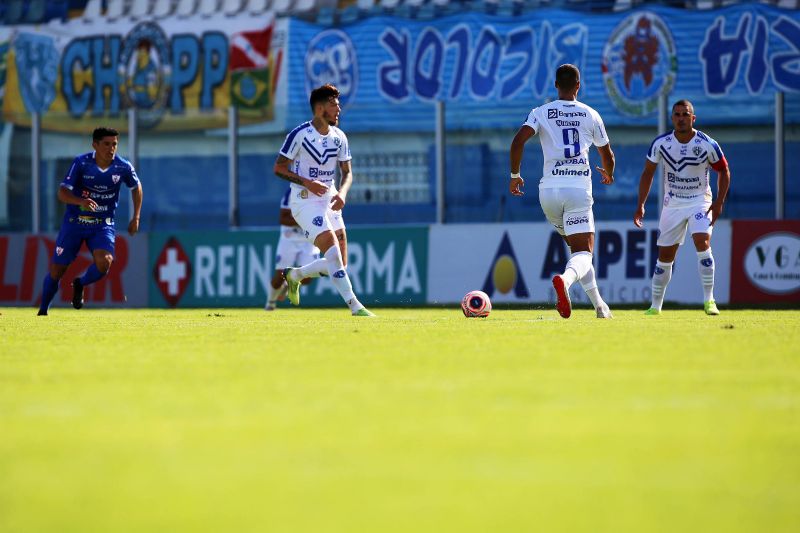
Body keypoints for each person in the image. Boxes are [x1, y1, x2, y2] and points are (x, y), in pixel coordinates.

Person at [509, 63, 615, 319]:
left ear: (556, 85)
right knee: (583, 254)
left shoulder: (540, 112)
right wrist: (609, 173)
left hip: (548, 193)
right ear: (578, 85)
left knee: (578, 253)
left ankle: (600, 307)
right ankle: (565, 282)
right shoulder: (590, 114)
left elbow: (518, 141)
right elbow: (607, 154)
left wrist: (515, 175)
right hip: (577, 190)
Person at [272, 83, 374, 317]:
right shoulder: (299, 135)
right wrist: (307, 182)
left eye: (338, 105)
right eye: (333, 105)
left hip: (329, 200)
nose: (338, 110)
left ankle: (295, 275)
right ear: (320, 109)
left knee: (340, 265)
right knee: (333, 255)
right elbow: (278, 167)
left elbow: (347, 172)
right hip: (304, 201)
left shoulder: (339, 137)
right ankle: (355, 307)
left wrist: (342, 193)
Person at [634, 99, 730, 315]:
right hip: (673, 205)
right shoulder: (661, 144)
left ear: (693, 118)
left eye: (685, 114)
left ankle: (709, 300)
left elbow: (724, 171)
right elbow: (647, 173)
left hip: (700, 201)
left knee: (702, 242)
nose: (681, 118)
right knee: (664, 258)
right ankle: (655, 306)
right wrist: (640, 204)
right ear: (672, 119)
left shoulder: (707, 144)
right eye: (677, 115)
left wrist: (718, 202)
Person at [38, 126, 142, 315]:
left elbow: (136, 187)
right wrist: (81, 202)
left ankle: (80, 283)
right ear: (95, 144)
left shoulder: (123, 166)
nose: (111, 149)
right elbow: (62, 193)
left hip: (102, 224)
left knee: (105, 262)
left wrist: (136, 217)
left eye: (115, 144)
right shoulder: (81, 163)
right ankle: (43, 311)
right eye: (106, 144)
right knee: (57, 270)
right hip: (75, 222)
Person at [265, 187, 320, 311]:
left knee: (307, 278)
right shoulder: (292, 192)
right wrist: (304, 220)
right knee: (279, 276)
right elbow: (283, 218)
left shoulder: (320, 190)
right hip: (289, 238)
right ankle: (270, 303)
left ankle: (291, 281)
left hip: (309, 239)